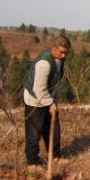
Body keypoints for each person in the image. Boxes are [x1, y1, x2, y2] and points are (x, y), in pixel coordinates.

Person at [23, 35, 71, 166]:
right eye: (61, 52)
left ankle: (55, 157)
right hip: (34, 100)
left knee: (53, 129)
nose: (63, 56)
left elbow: (54, 81)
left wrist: (53, 100)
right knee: (34, 132)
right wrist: (50, 103)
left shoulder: (60, 59)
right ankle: (32, 163)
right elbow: (39, 90)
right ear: (54, 48)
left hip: (48, 97)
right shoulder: (44, 63)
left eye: (66, 53)